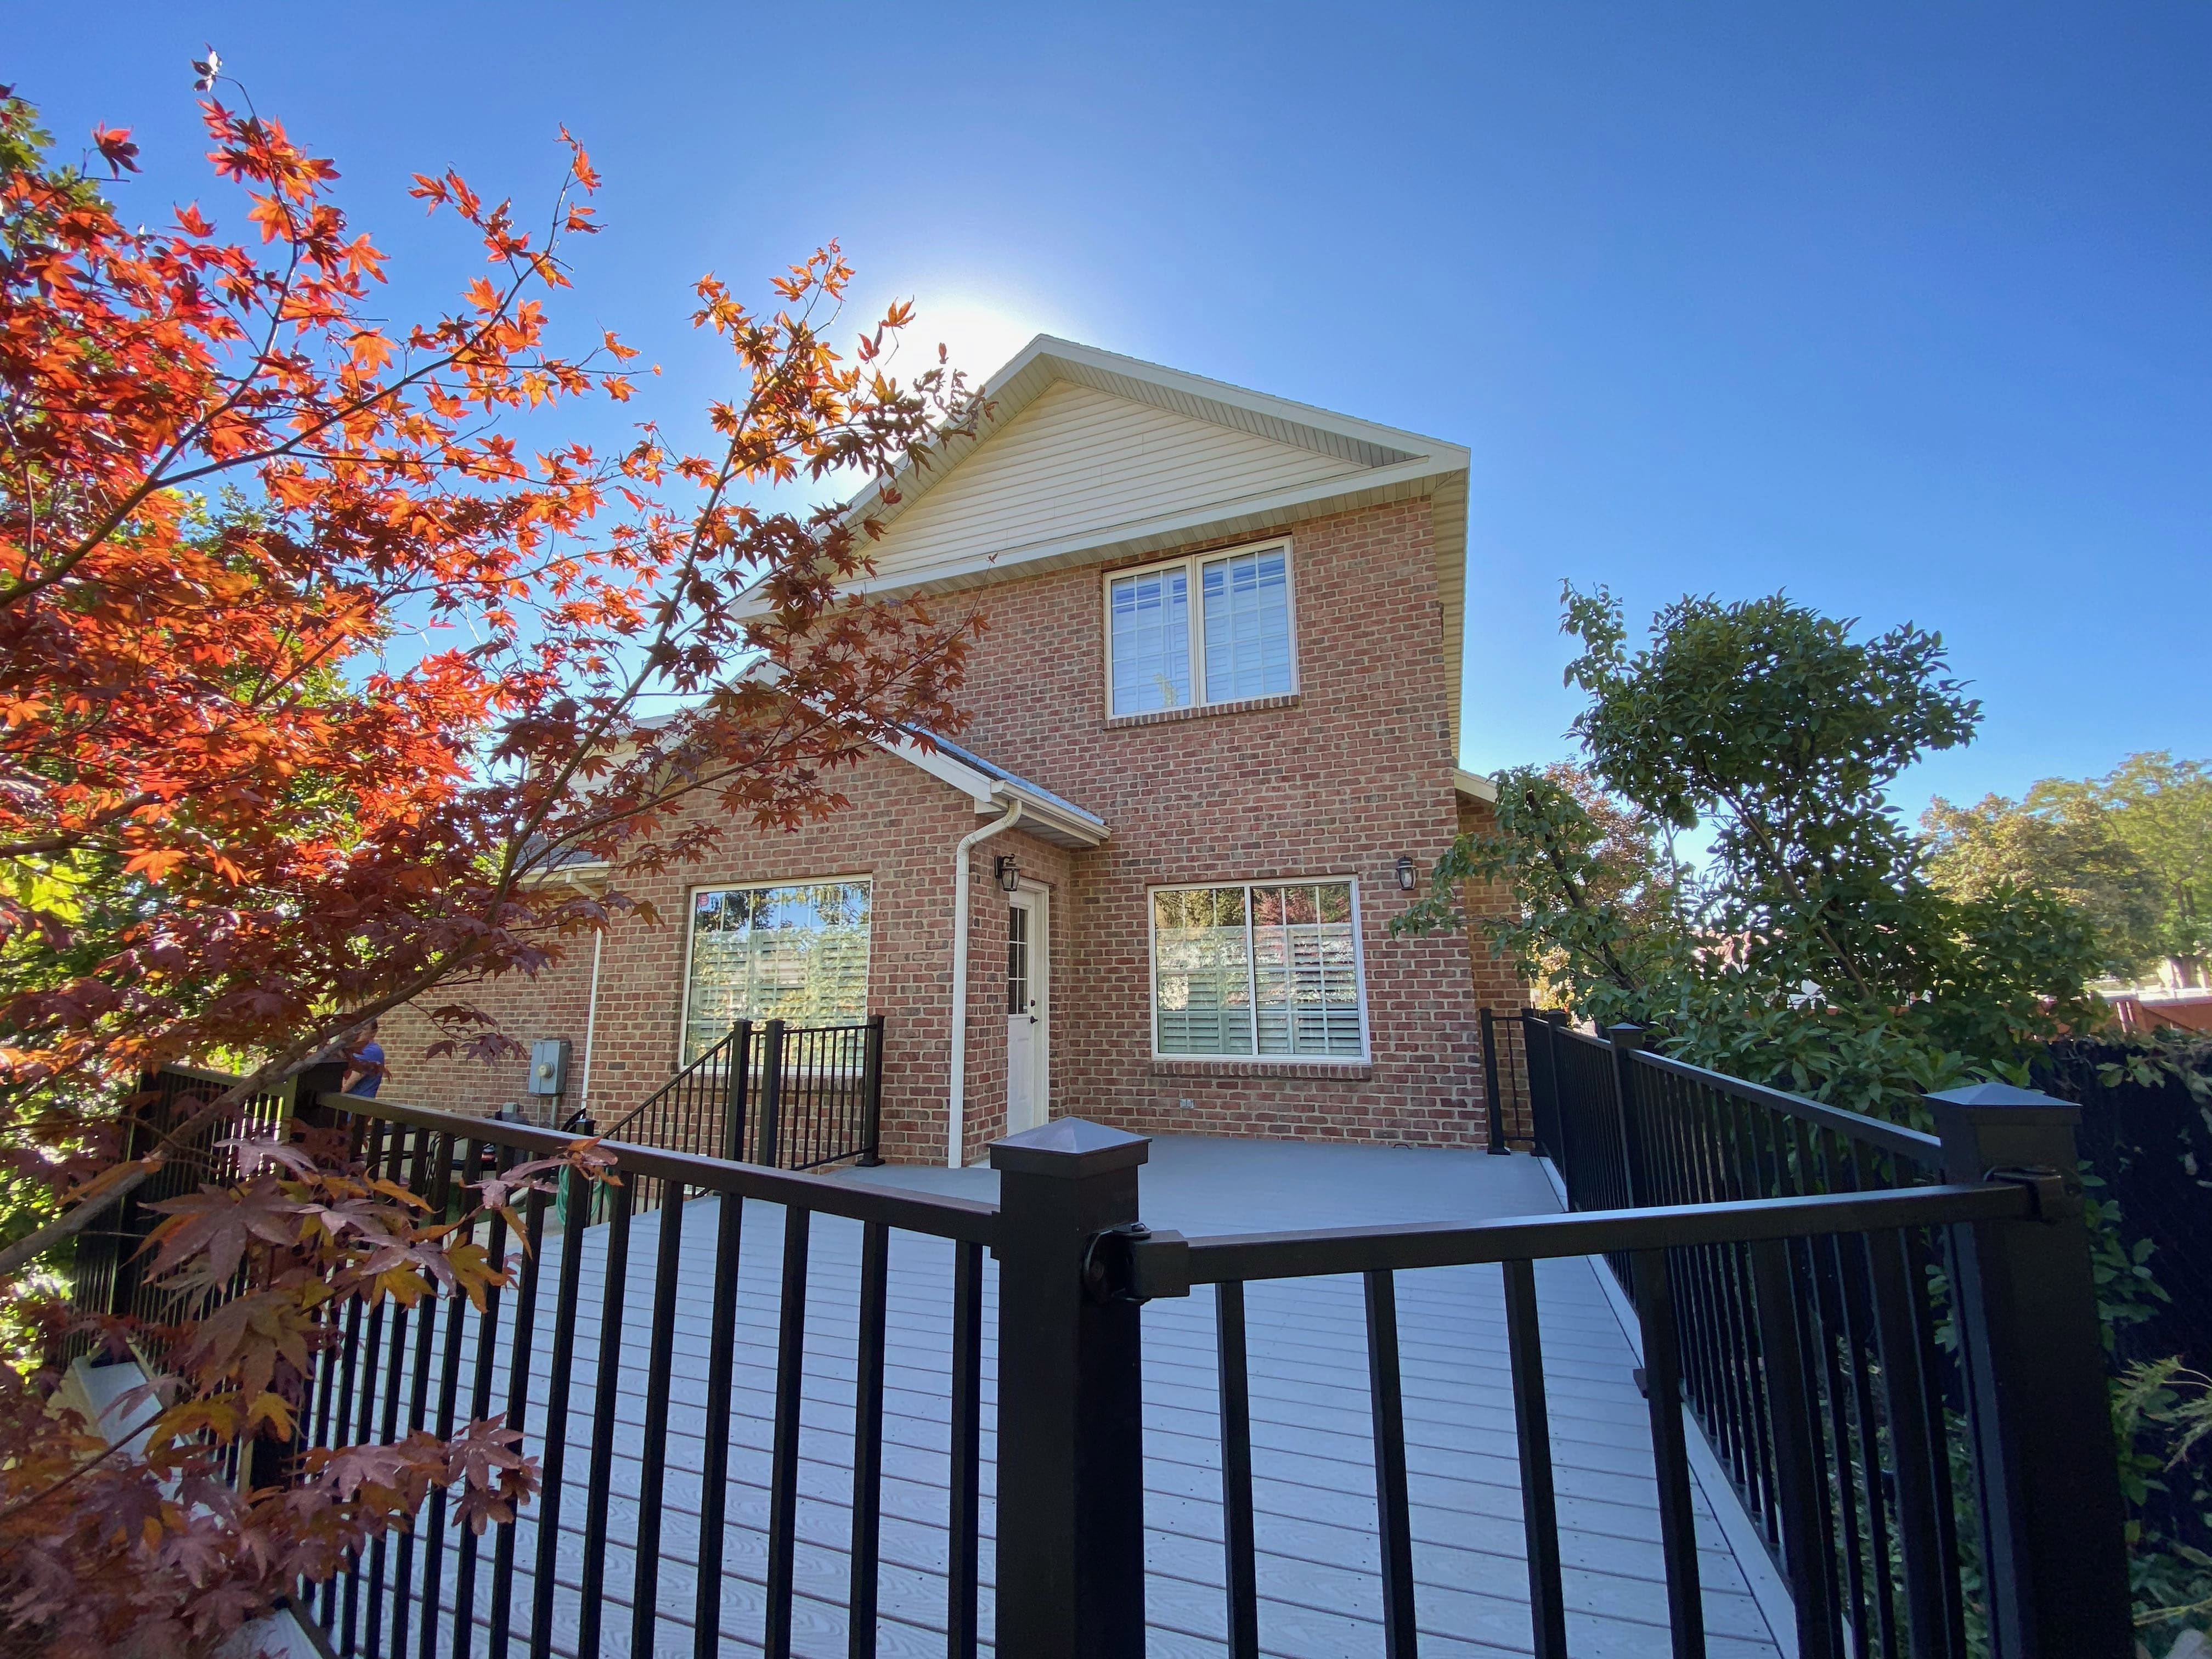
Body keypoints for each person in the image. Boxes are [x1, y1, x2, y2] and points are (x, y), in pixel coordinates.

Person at [343, 1020, 387, 1099]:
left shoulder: (371, 1051)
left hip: (356, 1107)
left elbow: (344, 1086)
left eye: (363, 1029)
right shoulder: (352, 1049)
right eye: (356, 1028)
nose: (357, 1032)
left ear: (374, 1033)